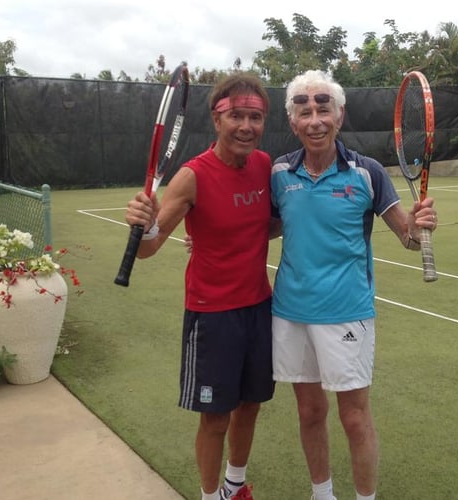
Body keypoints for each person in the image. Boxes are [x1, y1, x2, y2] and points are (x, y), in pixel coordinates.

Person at [269, 70, 438, 500]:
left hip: (347, 312)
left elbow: (407, 238)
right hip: (290, 312)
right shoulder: (279, 174)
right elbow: (267, 227)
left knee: (355, 419)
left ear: (339, 115)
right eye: (303, 110)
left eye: (323, 108)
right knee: (309, 411)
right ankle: (321, 494)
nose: (314, 118)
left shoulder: (367, 174)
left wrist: (419, 227)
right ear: (293, 122)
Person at [124, 73, 277, 500]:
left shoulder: (265, 166)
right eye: (237, 116)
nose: (247, 126)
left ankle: (234, 486)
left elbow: (268, 224)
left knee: (251, 404)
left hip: (259, 308)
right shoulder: (192, 176)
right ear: (217, 118)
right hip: (212, 316)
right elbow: (149, 249)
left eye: (256, 117)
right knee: (215, 418)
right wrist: (145, 222)